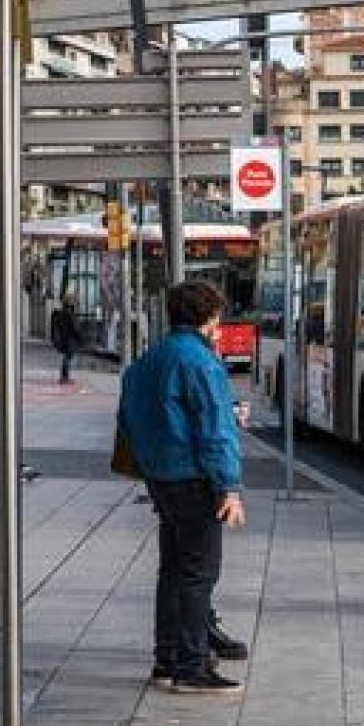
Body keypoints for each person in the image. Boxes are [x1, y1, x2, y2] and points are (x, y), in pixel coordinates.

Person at [118, 280, 247, 695]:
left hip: (160, 477)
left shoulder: (147, 361)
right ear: (209, 318)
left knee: (172, 570)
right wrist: (229, 486)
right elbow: (215, 428)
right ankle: (192, 666)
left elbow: (128, 419)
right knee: (198, 573)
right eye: (218, 318)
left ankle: (167, 658)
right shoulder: (201, 362)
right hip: (193, 478)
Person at [51, 292, 81, 385]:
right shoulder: (70, 313)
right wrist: (80, 337)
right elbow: (75, 327)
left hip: (63, 339)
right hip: (70, 340)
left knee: (66, 358)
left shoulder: (60, 313)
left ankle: (64, 377)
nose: (75, 303)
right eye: (74, 301)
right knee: (68, 358)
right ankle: (65, 378)